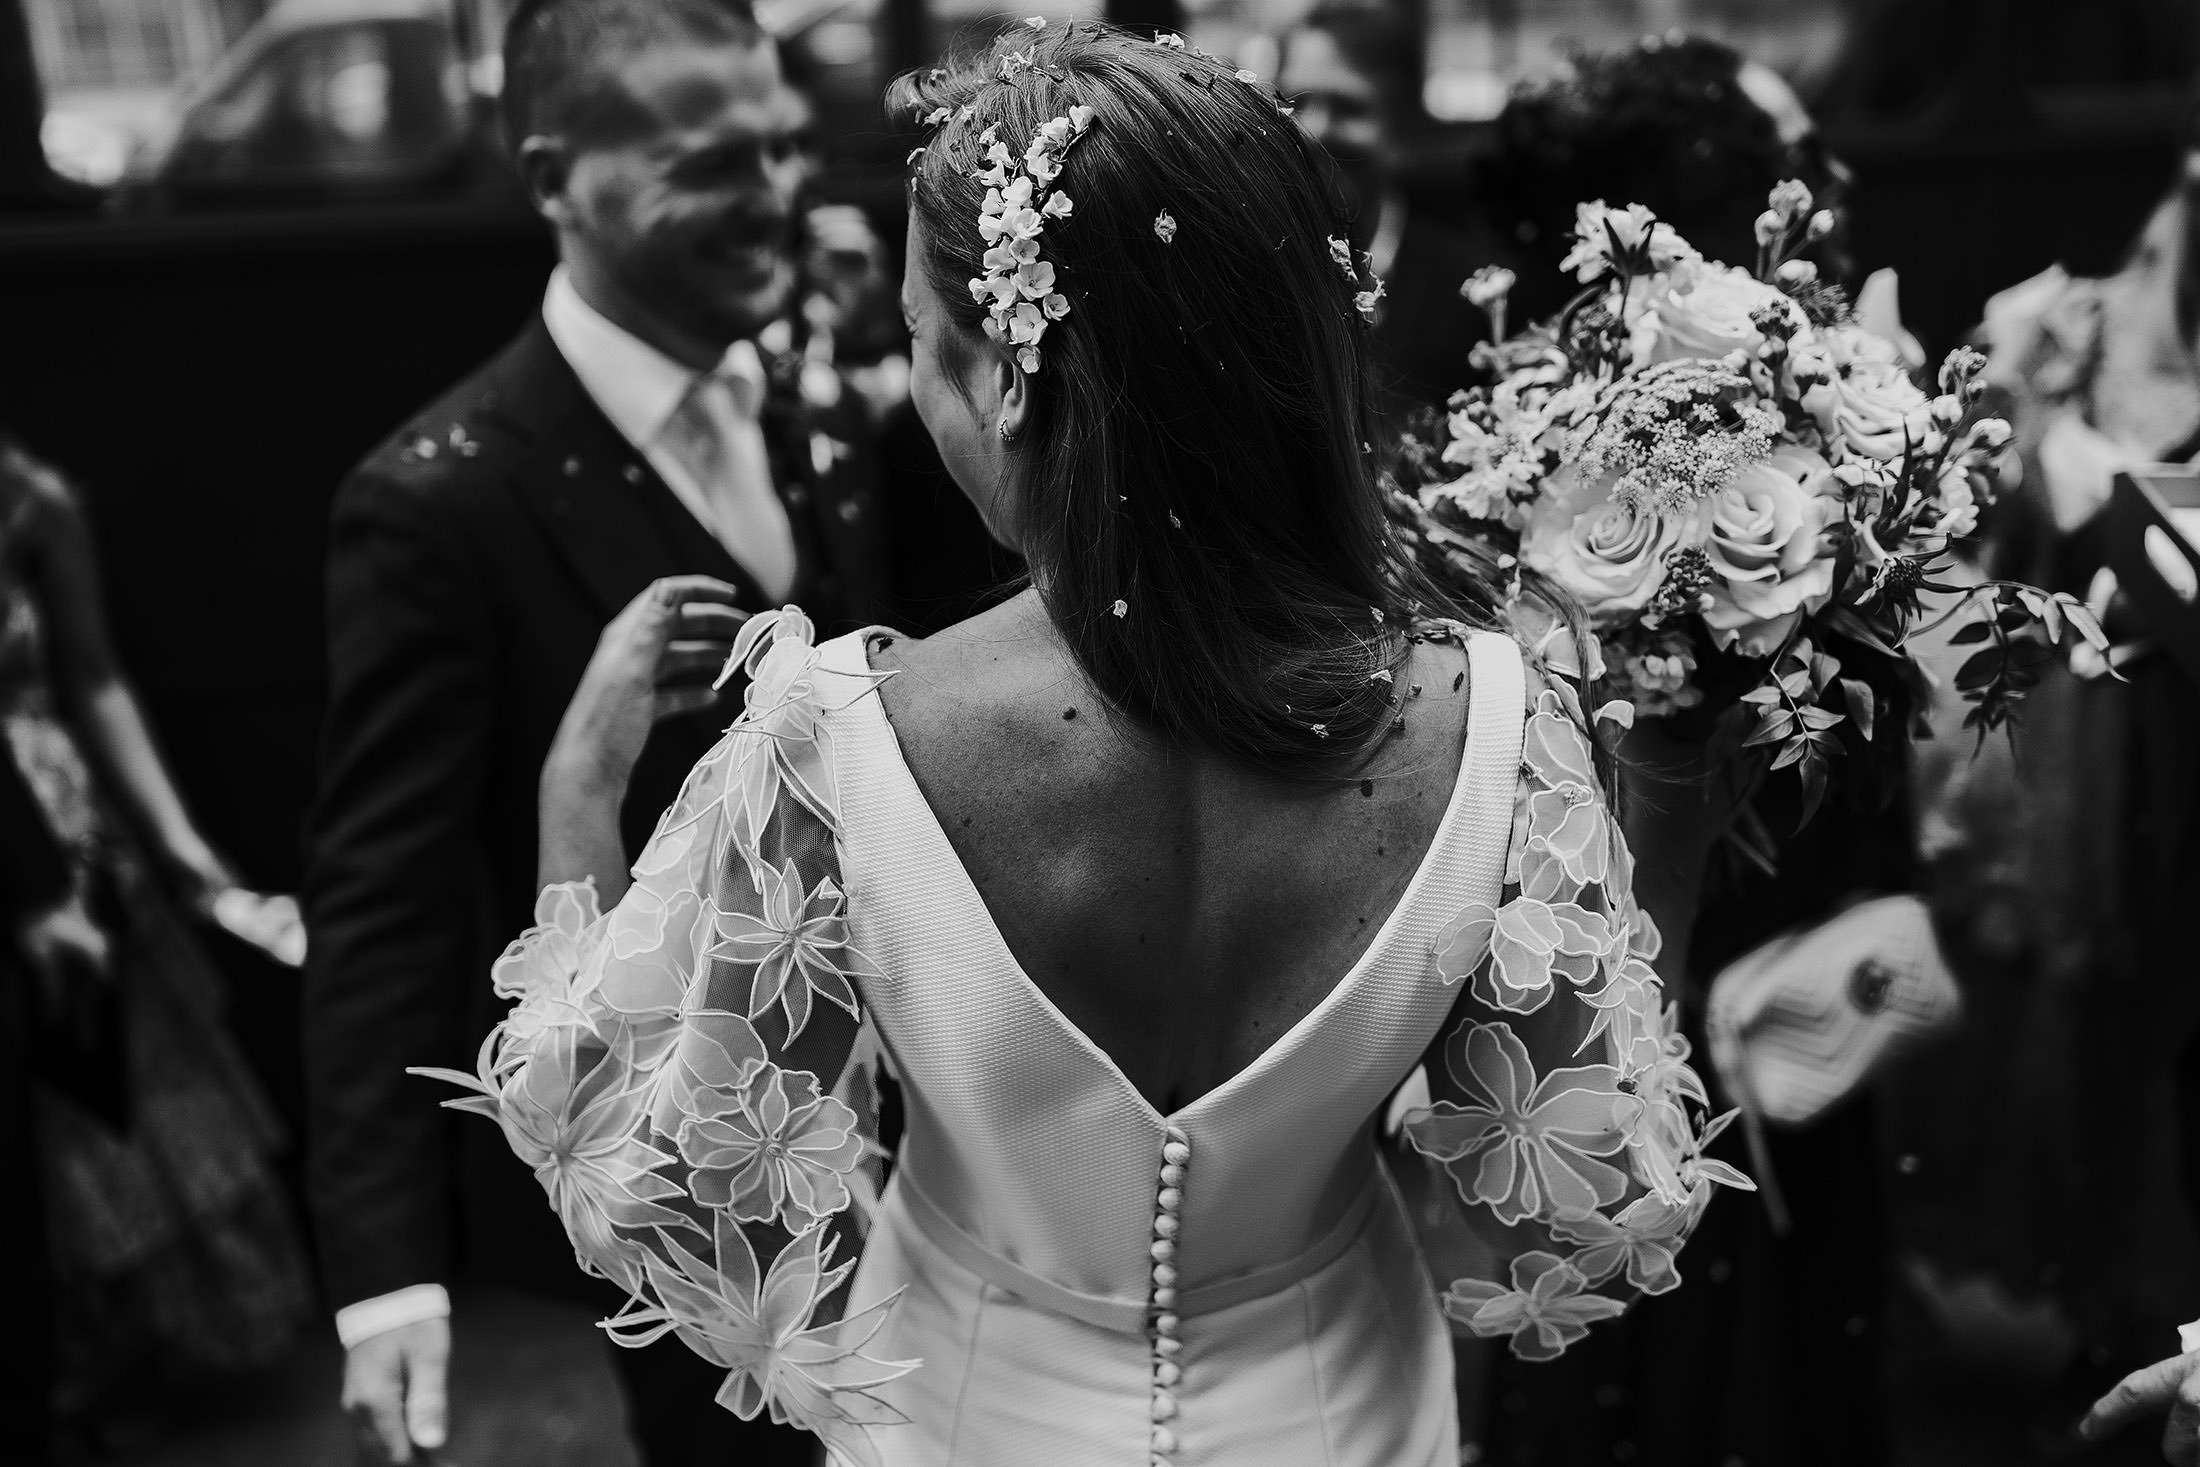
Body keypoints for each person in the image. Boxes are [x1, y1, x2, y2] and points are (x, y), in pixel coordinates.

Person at [429, 22, 1750, 1466]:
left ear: (1008, 376)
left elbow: (644, 1160)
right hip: (1338, 1410)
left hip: (967, 1411)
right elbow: (1576, 1194)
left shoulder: (834, 747)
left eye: (926, 350)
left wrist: (576, 788)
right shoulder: (1499, 723)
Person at [298, 1, 884, 1462]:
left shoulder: (827, 412)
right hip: (678, 1193)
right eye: (712, 161)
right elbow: (387, 902)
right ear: (558, 176)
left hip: (926, 1122)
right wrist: (384, 1274)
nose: (774, 197)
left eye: (784, 149)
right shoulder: (440, 500)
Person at [1464, 36, 1903, 1467]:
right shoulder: (1553, 453)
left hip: (1794, 993)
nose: (1829, 178)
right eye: (1795, 152)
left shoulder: (1815, 403)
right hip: (1647, 985)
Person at [0, 438, 312, 1444]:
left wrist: (186, 854)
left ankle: (145, 1348)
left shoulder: (28, 500)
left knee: (124, 1088)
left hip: (62, 837)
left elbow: (94, 678)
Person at [1275, 0, 1489, 409]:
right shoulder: (1253, 269)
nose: (1313, 129)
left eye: (1349, 107)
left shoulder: (1475, 294)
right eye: (1294, 102)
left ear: (1402, 124)